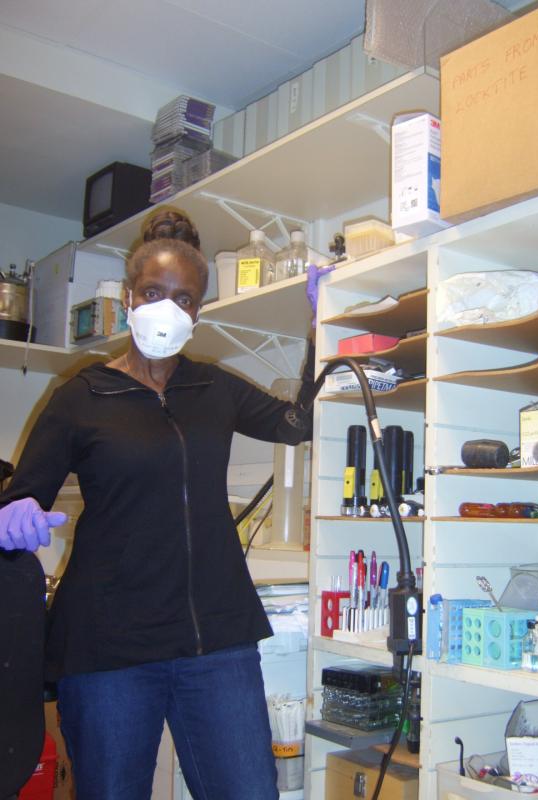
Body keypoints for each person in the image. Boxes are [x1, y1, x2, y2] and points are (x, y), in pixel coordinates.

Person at [0, 211, 332, 800]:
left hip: (217, 641)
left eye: (183, 299)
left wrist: (320, 325)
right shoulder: (81, 396)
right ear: (130, 299)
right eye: (153, 293)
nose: (166, 307)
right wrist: (10, 521)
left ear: (197, 314)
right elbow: (24, 494)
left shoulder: (215, 388)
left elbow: (297, 422)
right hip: (109, 650)